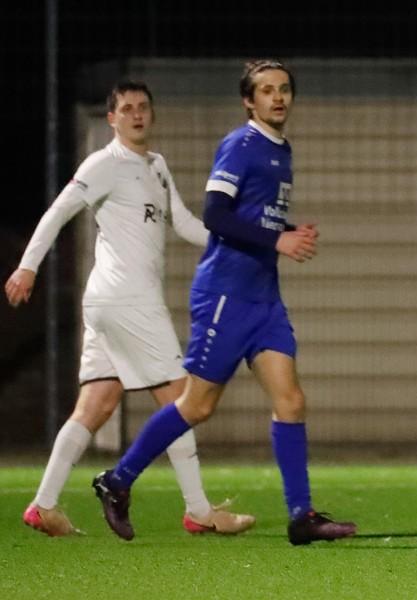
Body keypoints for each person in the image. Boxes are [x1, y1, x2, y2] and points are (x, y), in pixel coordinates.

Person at [92, 60, 357, 545]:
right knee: (196, 406)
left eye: (284, 89)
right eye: (267, 90)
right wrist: (277, 240)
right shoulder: (240, 145)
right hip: (225, 296)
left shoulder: (281, 149)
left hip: (264, 299)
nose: (278, 97)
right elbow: (216, 214)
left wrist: (286, 231)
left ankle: (301, 516)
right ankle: (118, 479)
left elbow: (254, 218)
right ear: (248, 101)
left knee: (291, 401)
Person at [6, 80, 255, 537]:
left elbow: (182, 222)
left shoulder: (156, 165)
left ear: (151, 114)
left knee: (96, 404)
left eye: (143, 107)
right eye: (127, 109)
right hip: (128, 300)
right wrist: (28, 266)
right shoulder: (104, 163)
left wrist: (236, 241)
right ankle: (199, 510)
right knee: (182, 401)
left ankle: (43, 504)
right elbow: (59, 211)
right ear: (112, 119)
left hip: (109, 303)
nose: (137, 114)